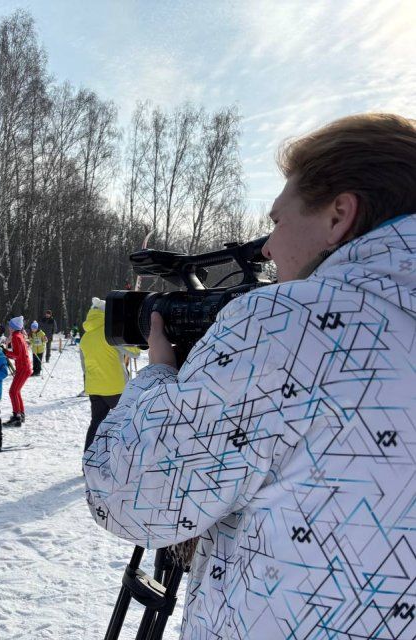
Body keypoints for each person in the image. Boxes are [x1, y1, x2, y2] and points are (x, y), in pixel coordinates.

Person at [83, 113, 416, 639]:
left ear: (339, 216)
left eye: (278, 221)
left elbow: (128, 495)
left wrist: (159, 378)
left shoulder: (294, 321)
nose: (266, 248)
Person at [79, 298, 130, 452]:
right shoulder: (111, 333)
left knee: (96, 423)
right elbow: (134, 353)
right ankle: (123, 459)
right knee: (124, 422)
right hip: (116, 387)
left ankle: (87, 461)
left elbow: (84, 366)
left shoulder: (85, 337)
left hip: (94, 387)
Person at [3, 315, 31, 426]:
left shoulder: (16, 336)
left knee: (13, 391)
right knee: (16, 391)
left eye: (10, 326)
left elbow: (17, 355)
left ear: (14, 327)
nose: (9, 328)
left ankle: (17, 416)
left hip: (23, 368)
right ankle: (21, 413)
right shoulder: (18, 335)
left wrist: (5, 352)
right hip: (24, 367)